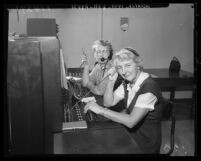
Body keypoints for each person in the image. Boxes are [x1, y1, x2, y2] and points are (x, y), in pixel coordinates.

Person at [84, 47, 164, 154]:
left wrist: (101, 110)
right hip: (130, 135)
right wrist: (111, 82)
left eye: (128, 65)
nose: (123, 71)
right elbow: (108, 102)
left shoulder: (149, 88)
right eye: (119, 67)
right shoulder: (127, 83)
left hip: (144, 144)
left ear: (138, 65)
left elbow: (131, 121)